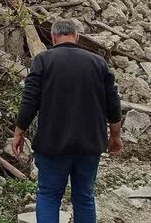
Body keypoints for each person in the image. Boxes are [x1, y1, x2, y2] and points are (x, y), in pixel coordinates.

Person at [12, 19, 123, 223]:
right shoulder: (98, 63)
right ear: (77, 37)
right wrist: (115, 136)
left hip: (52, 145)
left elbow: (30, 100)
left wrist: (19, 132)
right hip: (89, 145)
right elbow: (113, 103)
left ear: (53, 37)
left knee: (48, 195)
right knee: (84, 197)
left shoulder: (43, 60)